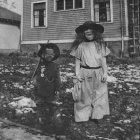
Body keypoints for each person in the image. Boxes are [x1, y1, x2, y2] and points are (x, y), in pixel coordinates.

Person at [70, 21, 110, 123]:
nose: (88, 32)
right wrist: (77, 74)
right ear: (82, 33)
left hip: (98, 72)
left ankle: (97, 115)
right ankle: (82, 117)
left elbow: (103, 60)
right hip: (85, 72)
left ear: (95, 32)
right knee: (84, 95)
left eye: (90, 30)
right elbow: (77, 61)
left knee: (100, 94)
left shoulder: (100, 45)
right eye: (85, 30)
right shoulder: (81, 46)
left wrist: (105, 73)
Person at [32, 43, 61, 111]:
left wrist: (57, 89)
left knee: (51, 106)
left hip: (50, 90)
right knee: (40, 106)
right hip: (40, 90)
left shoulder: (55, 66)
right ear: (43, 55)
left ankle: (51, 112)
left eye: (52, 54)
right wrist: (34, 81)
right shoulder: (40, 65)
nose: (49, 56)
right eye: (47, 54)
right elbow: (35, 76)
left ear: (54, 56)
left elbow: (57, 79)